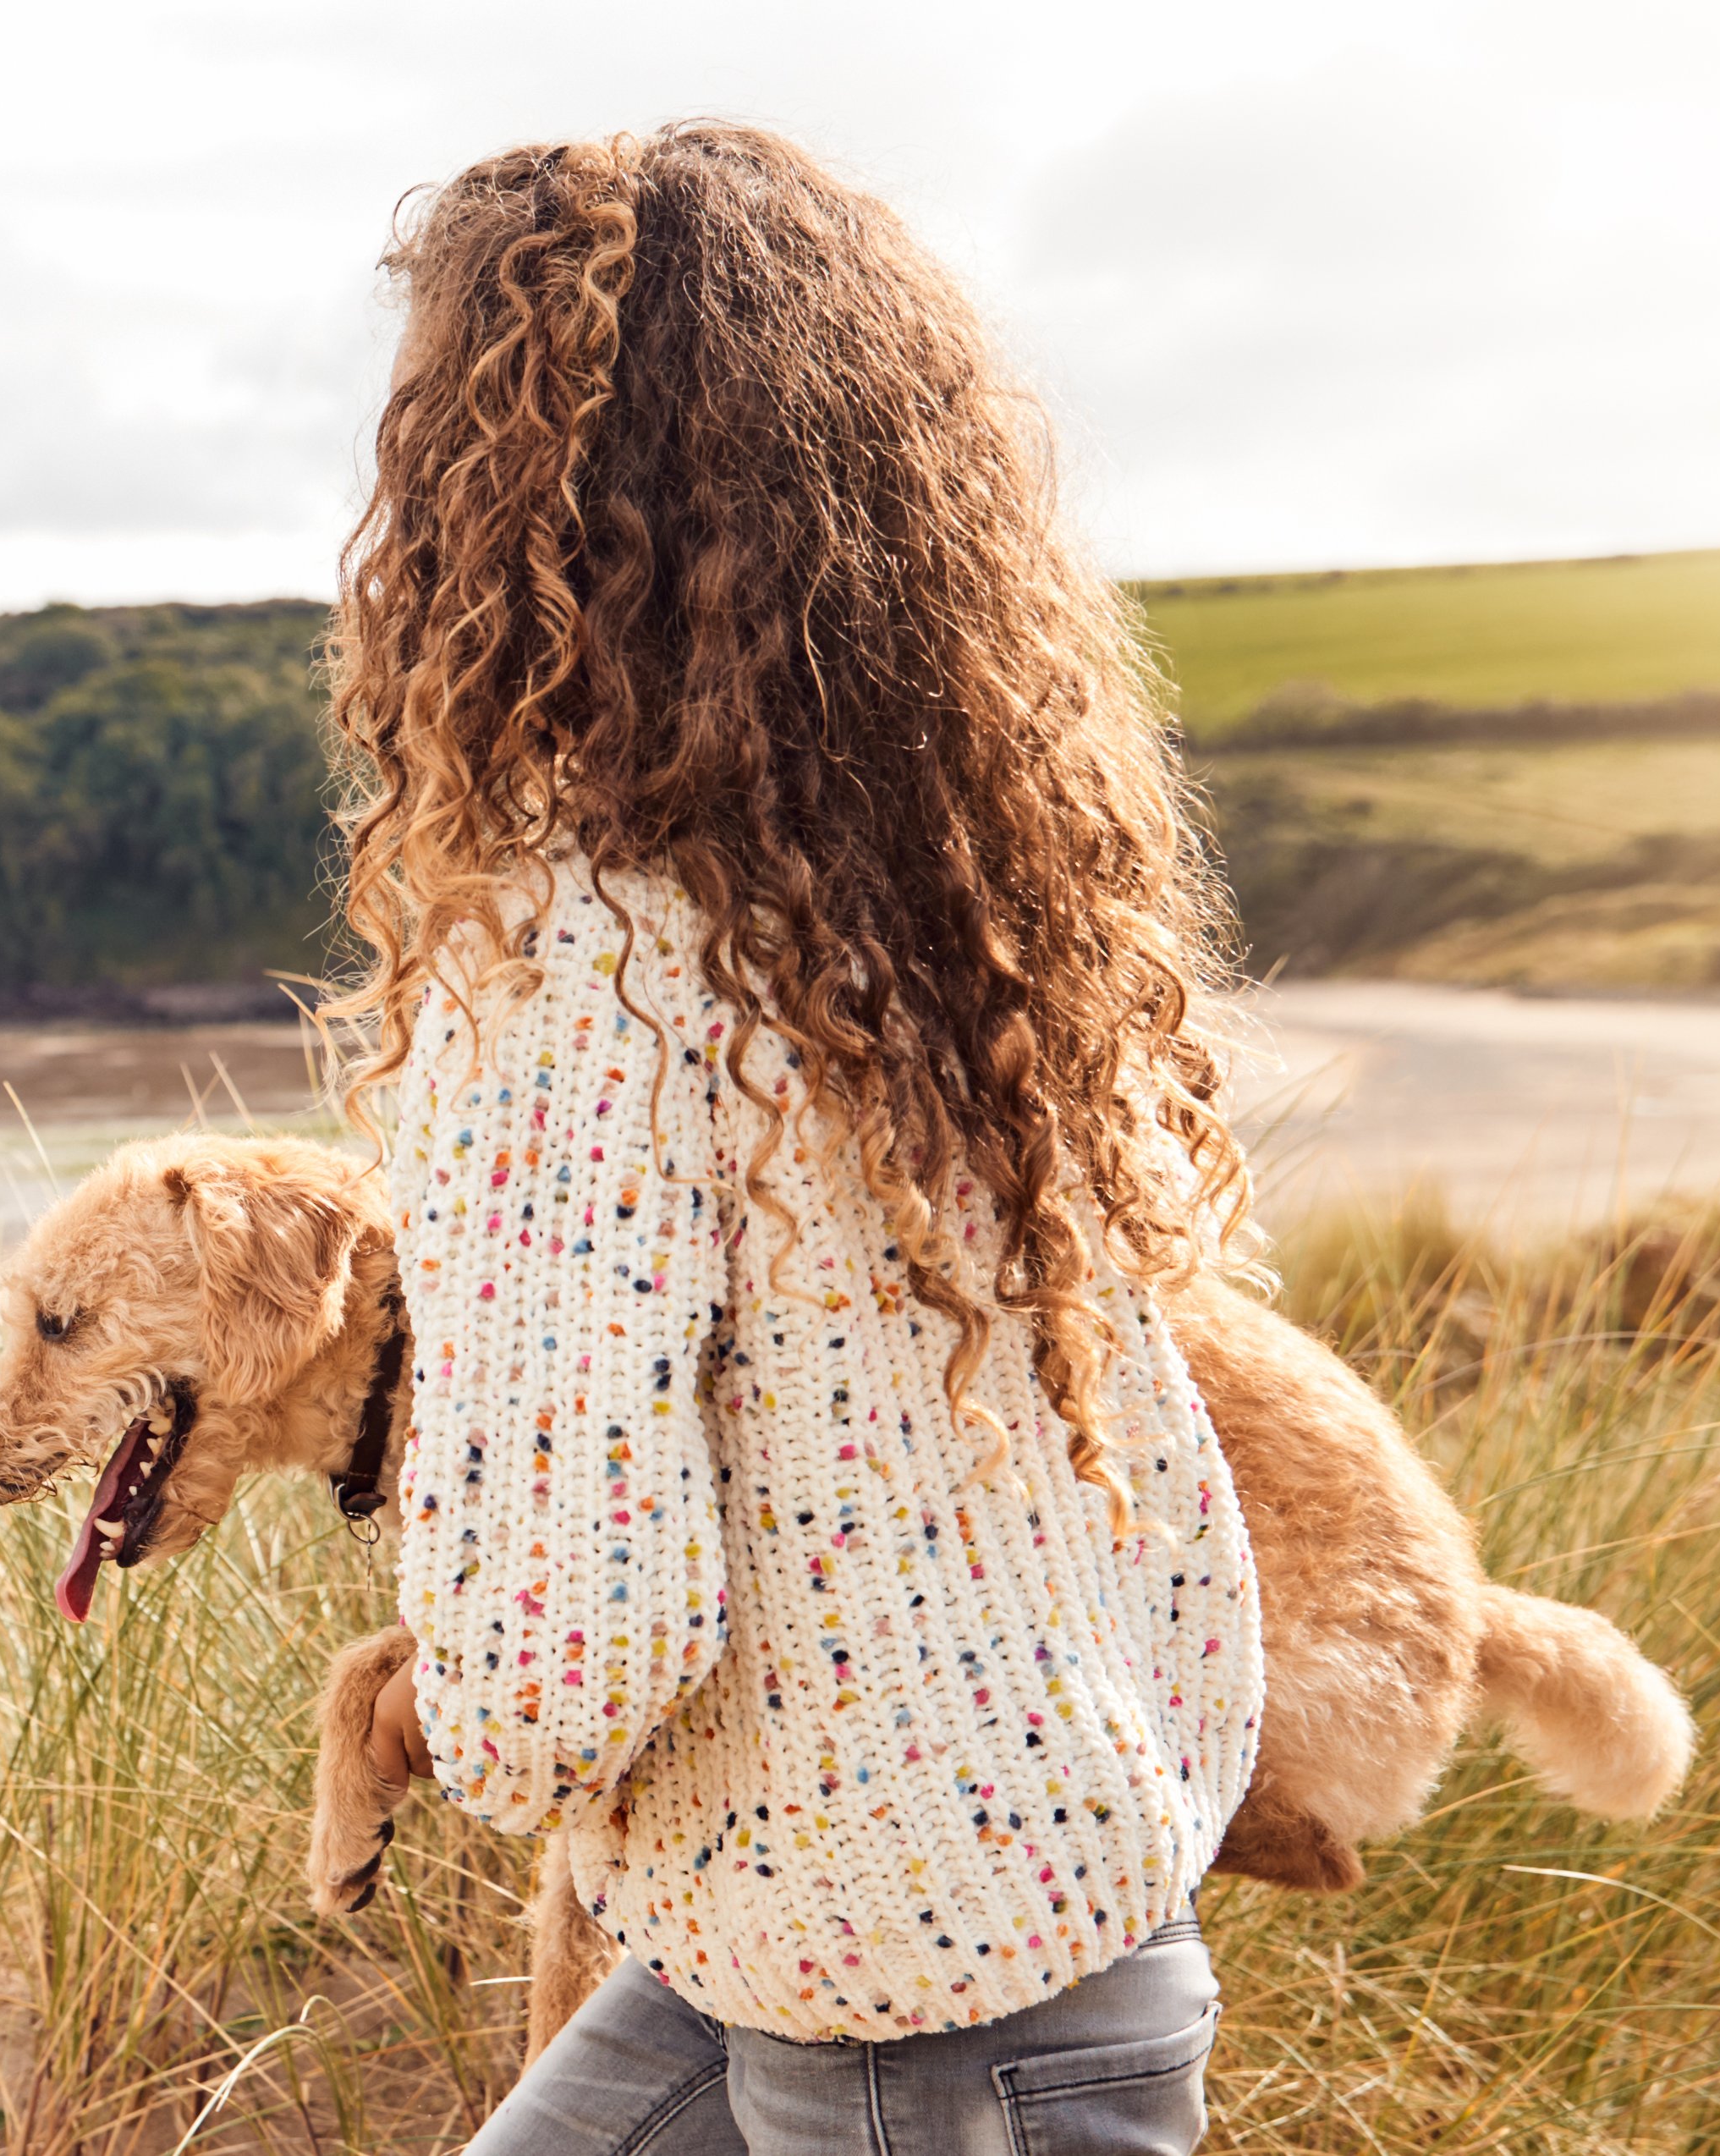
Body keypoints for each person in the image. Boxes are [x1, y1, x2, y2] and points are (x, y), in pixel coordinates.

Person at [326, 124, 1263, 2154]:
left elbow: (568, 1642)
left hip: (909, 2015)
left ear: (496, 505)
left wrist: (473, 1708)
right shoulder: (946, 887)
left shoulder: (579, 963)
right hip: (990, 1903)